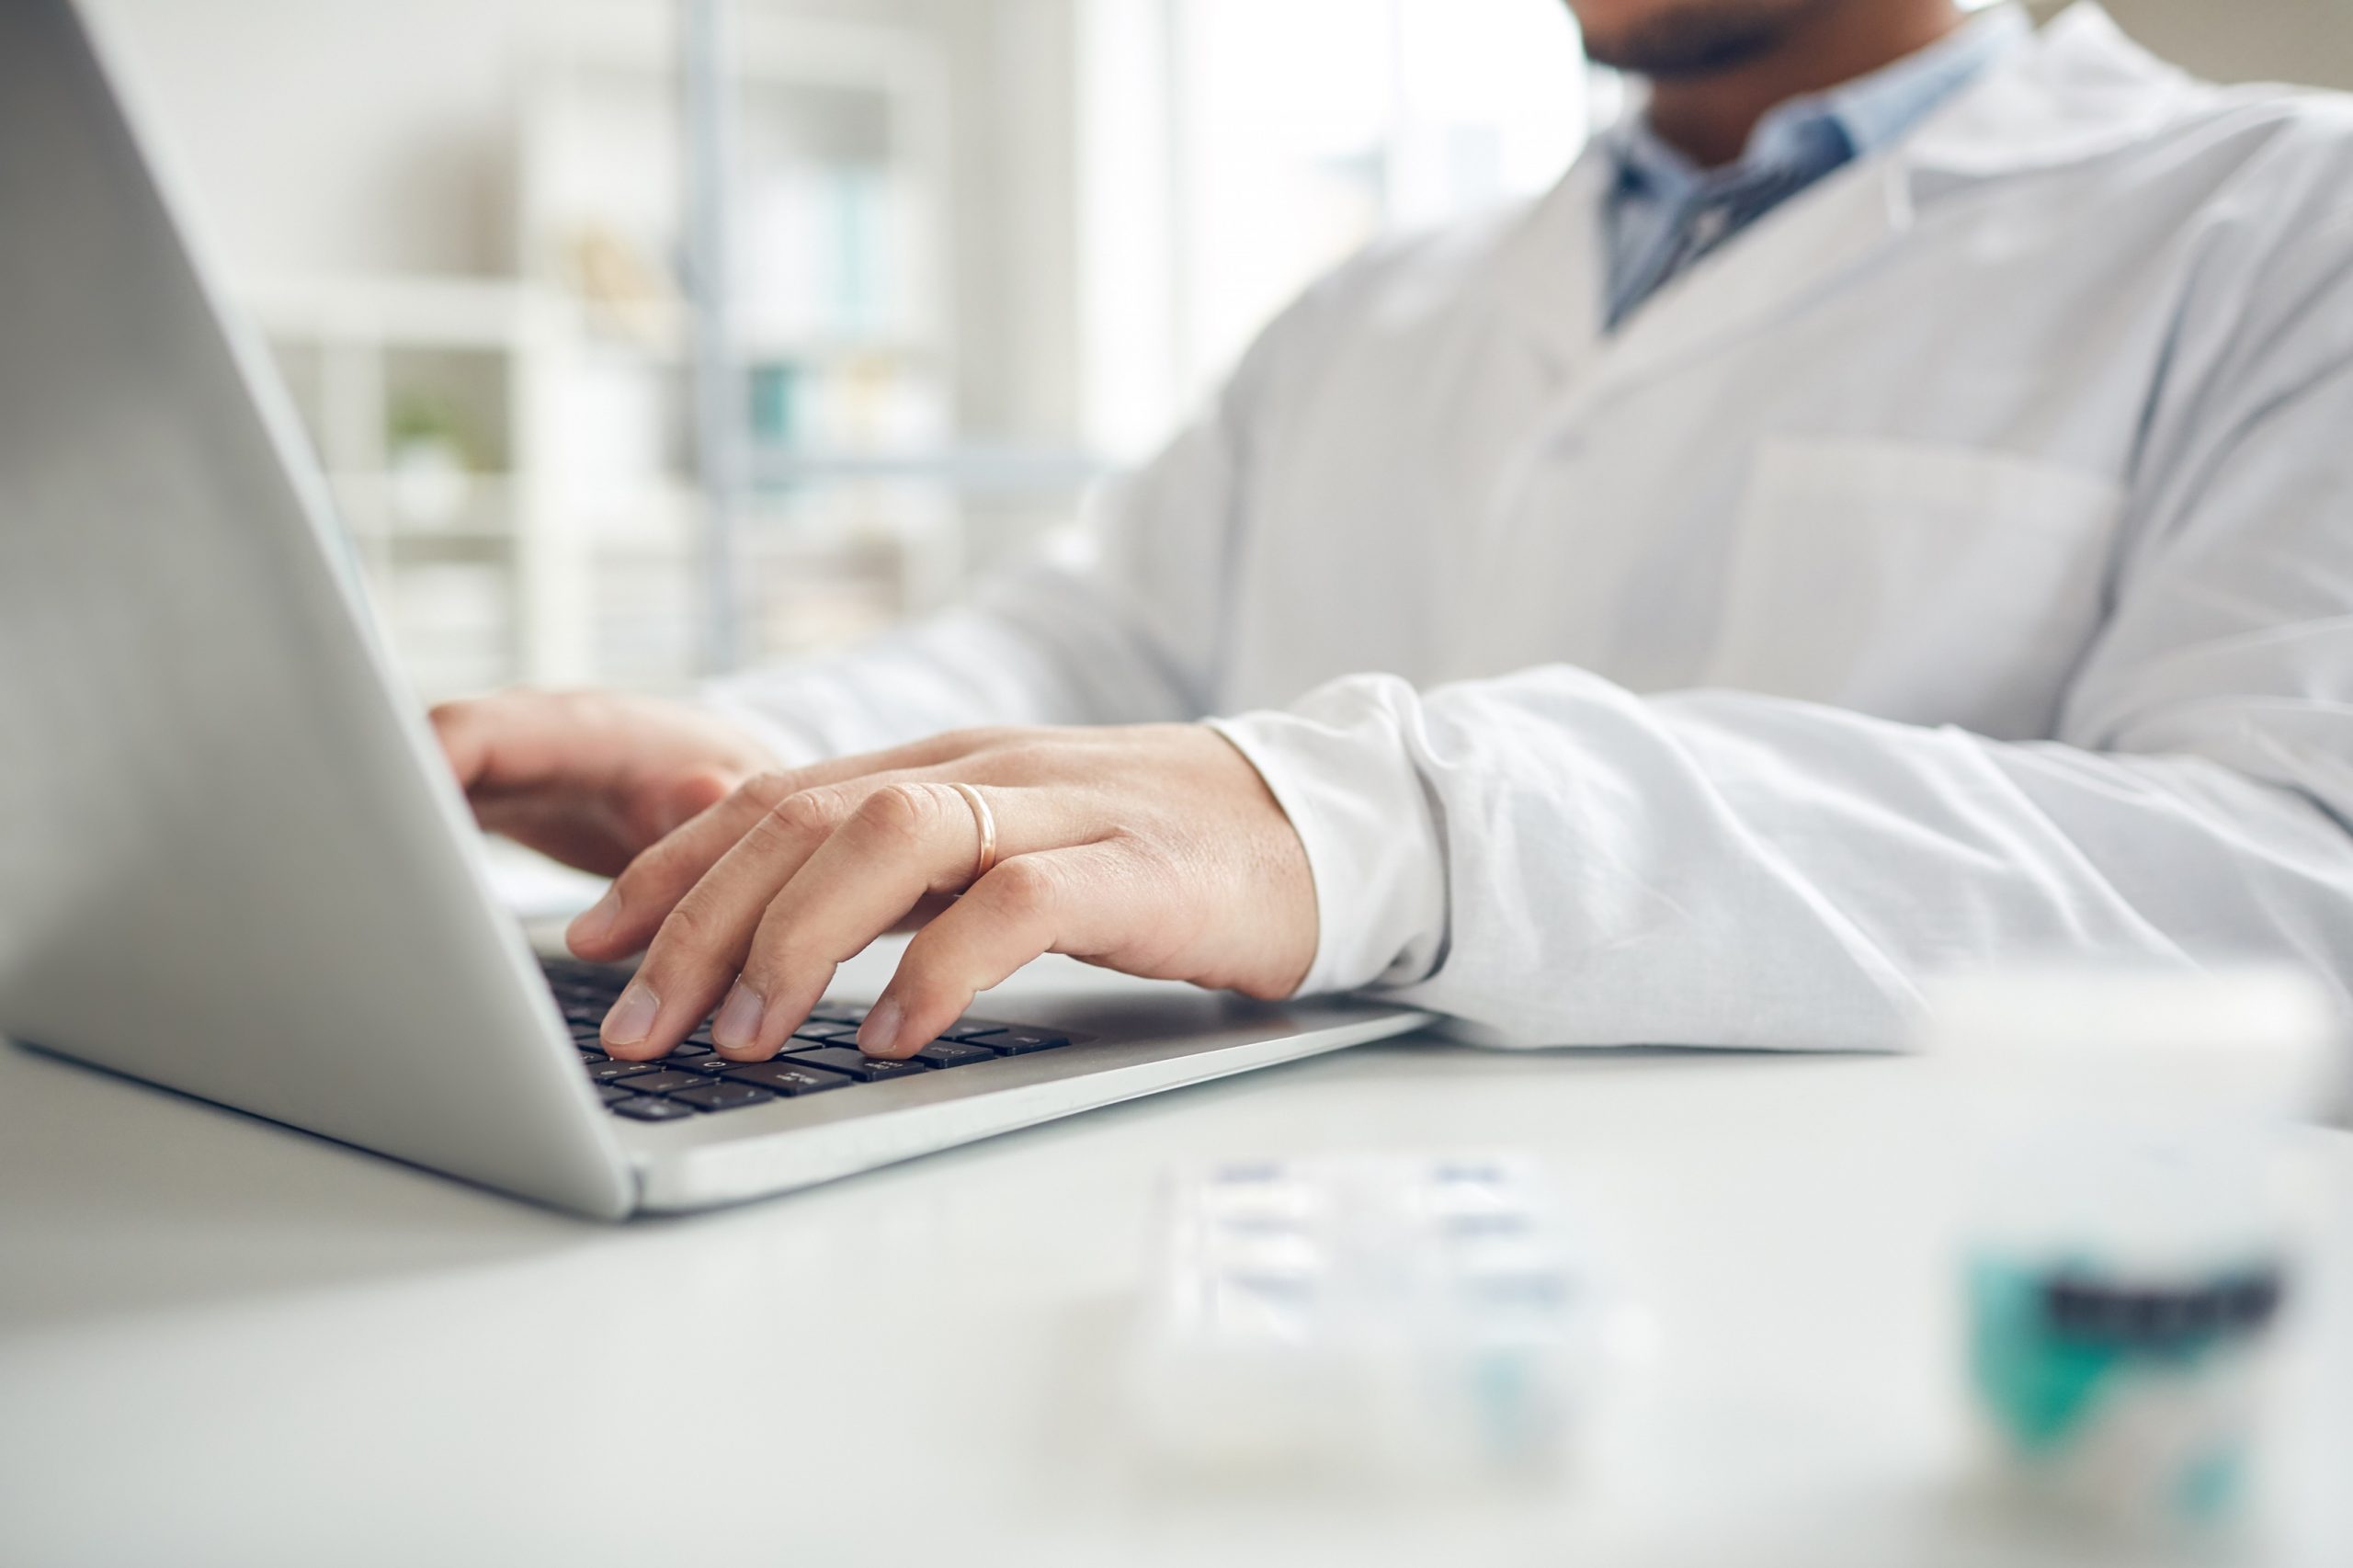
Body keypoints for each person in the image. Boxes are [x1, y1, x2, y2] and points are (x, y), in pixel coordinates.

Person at [435, 0, 2353, 1069]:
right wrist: (775, 776)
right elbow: (1086, 652)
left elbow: (2292, 887)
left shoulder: (2280, 225)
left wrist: (1391, 819)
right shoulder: (1383, 302)